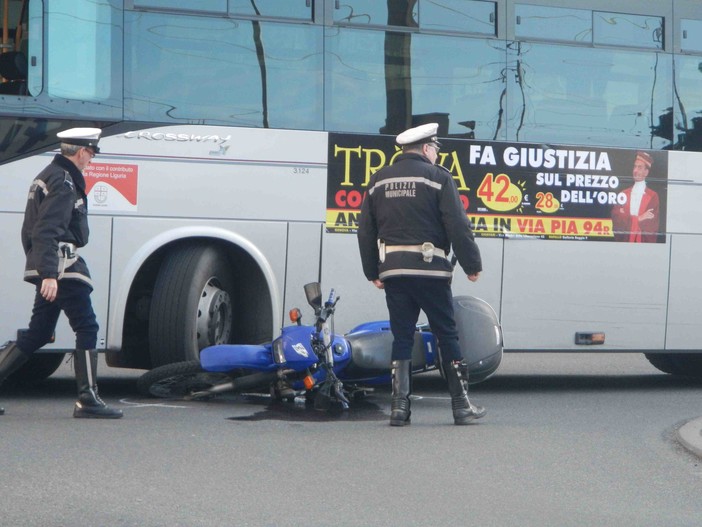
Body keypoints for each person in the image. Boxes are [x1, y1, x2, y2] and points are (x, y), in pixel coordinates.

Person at [357, 122, 486, 426]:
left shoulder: (378, 180)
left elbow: (365, 231)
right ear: (427, 149)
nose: (437, 155)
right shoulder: (438, 177)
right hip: (430, 271)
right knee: (446, 333)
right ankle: (461, 405)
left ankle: (399, 410)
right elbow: (458, 225)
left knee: (402, 336)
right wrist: (472, 265)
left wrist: (372, 271)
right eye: (436, 150)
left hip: (394, 272)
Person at [0, 128, 123, 418]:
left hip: (52, 266)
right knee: (87, 326)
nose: (91, 160)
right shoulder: (64, 182)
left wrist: (44, 271)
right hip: (62, 266)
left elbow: (34, 230)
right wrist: (50, 274)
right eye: (91, 153)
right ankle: (87, 399)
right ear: (82, 151)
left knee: (40, 332)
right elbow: (46, 230)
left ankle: (88, 397)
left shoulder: (50, 174)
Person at [611, 151, 660, 243]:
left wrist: (627, 217)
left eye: (639, 167)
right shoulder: (623, 194)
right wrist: (639, 218)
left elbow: (651, 226)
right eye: (635, 166)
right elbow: (617, 220)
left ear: (646, 172)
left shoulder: (652, 196)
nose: (635, 170)